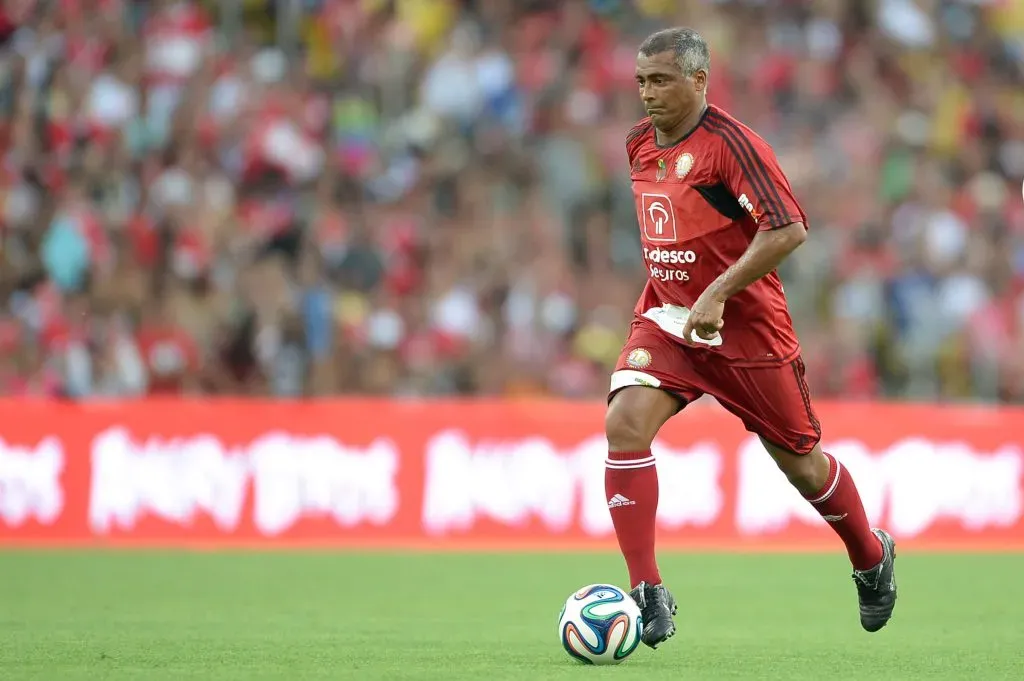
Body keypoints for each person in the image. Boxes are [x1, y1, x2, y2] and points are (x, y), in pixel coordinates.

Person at [604, 27, 897, 649]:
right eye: (641, 81)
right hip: (668, 319)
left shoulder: (733, 146)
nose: (647, 93)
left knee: (803, 466)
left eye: (661, 81)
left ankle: (870, 557)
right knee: (624, 425)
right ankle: (647, 591)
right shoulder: (638, 144)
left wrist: (716, 294)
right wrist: (683, 294)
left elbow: (788, 229)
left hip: (746, 331)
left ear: (699, 80)